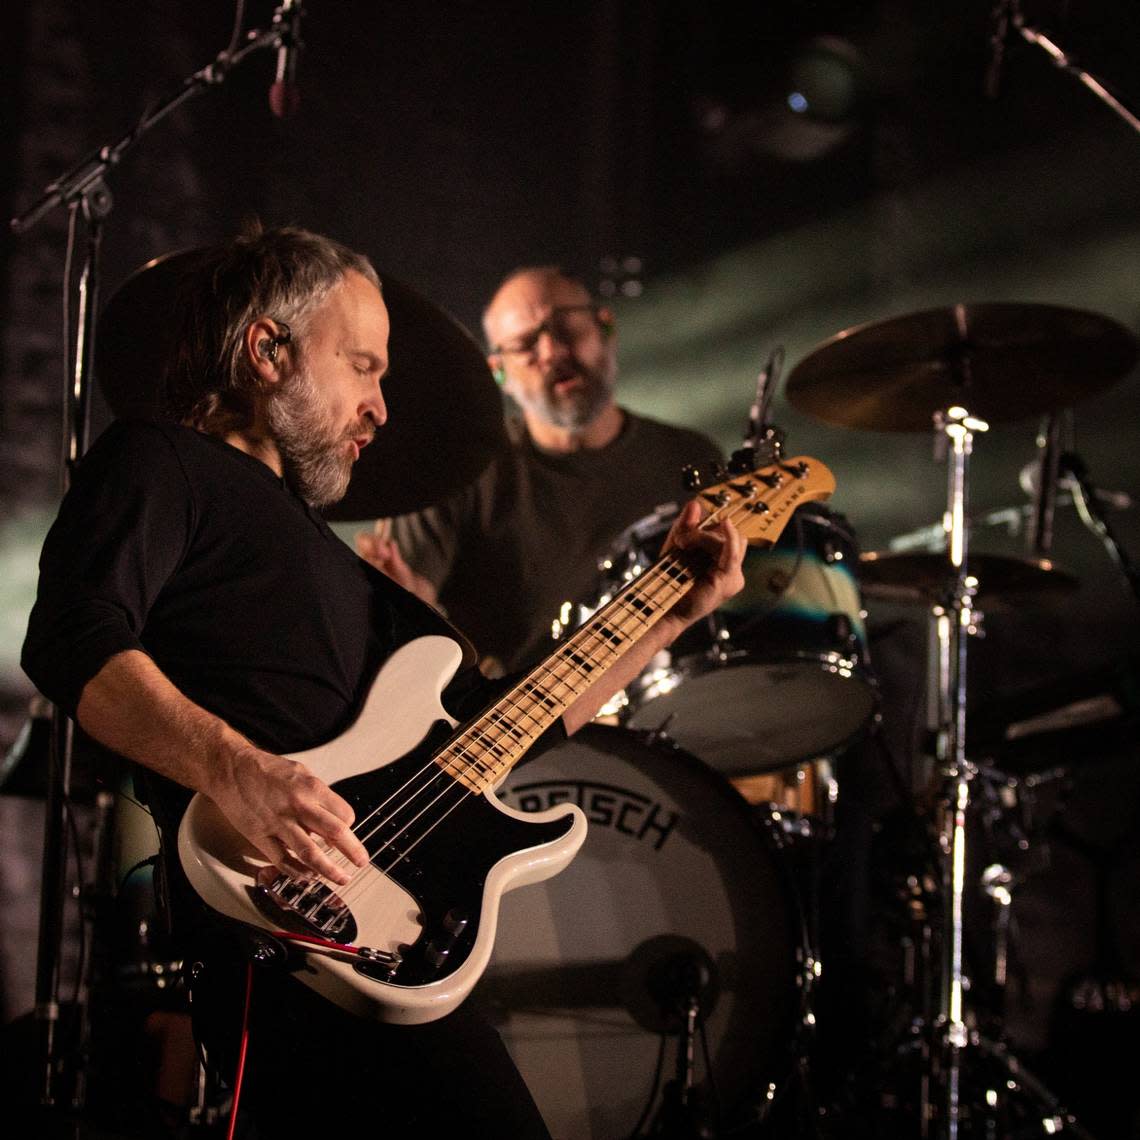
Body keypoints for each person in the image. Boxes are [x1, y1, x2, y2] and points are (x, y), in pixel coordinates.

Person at [20, 225, 746, 1137]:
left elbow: (507, 723)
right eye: (362, 366)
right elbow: (70, 639)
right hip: (275, 917)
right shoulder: (162, 462)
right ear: (268, 350)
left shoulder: (350, 572)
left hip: (385, 935)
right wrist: (239, 770)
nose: (381, 408)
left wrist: (671, 609)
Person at [357, 266, 724, 675]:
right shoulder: (458, 470)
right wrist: (411, 610)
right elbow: (405, 608)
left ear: (605, 327)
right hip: (514, 724)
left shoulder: (690, 458)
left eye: (565, 329)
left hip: (666, 714)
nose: (551, 352)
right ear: (499, 372)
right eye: (525, 344)